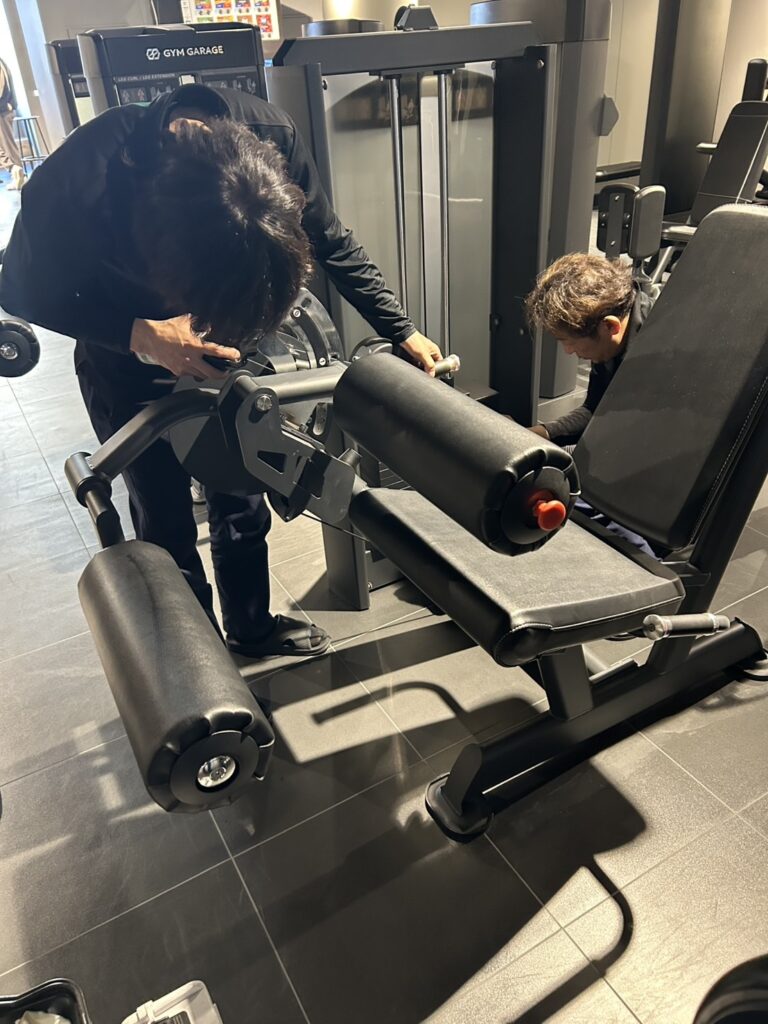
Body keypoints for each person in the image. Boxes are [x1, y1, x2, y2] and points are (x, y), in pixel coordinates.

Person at [0, 83, 442, 658]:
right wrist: (138, 333)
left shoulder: (273, 137)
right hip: (128, 362)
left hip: (231, 360)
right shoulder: (84, 172)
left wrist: (401, 329)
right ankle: (197, 660)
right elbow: (19, 289)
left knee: (241, 498)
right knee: (164, 521)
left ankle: (251, 629)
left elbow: (330, 240)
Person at [525, 252, 657, 555]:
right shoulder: (611, 343)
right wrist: (543, 433)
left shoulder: (656, 356)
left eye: (570, 341)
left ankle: (649, 572)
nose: (568, 352)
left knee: (582, 499)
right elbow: (596, 410)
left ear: (610, 326)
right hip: (631, 442)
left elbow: (637, 443)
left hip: (663, 456)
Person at [0, 57, 24, 190]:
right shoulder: (2, 62)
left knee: (7, 145)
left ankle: (16, 171)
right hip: (6, 108)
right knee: (7, 145)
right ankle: (15, 170)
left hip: (2, 111)